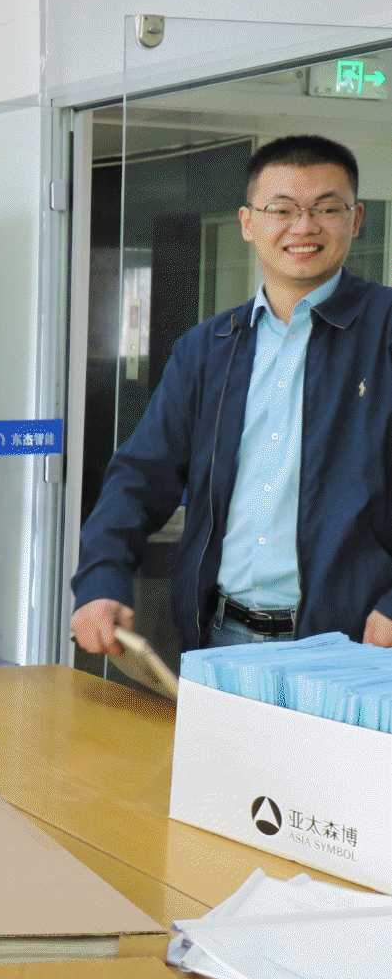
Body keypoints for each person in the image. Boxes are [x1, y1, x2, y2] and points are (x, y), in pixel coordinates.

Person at [73, 134, 392, 657]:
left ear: (355, 220)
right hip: (220, 638)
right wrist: (101, 580)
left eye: (326, 209)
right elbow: (139, 477)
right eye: (282, 210)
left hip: (354, 648)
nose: (304, 227)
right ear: (248, 223)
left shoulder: (384, 332)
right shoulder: (208, 348)